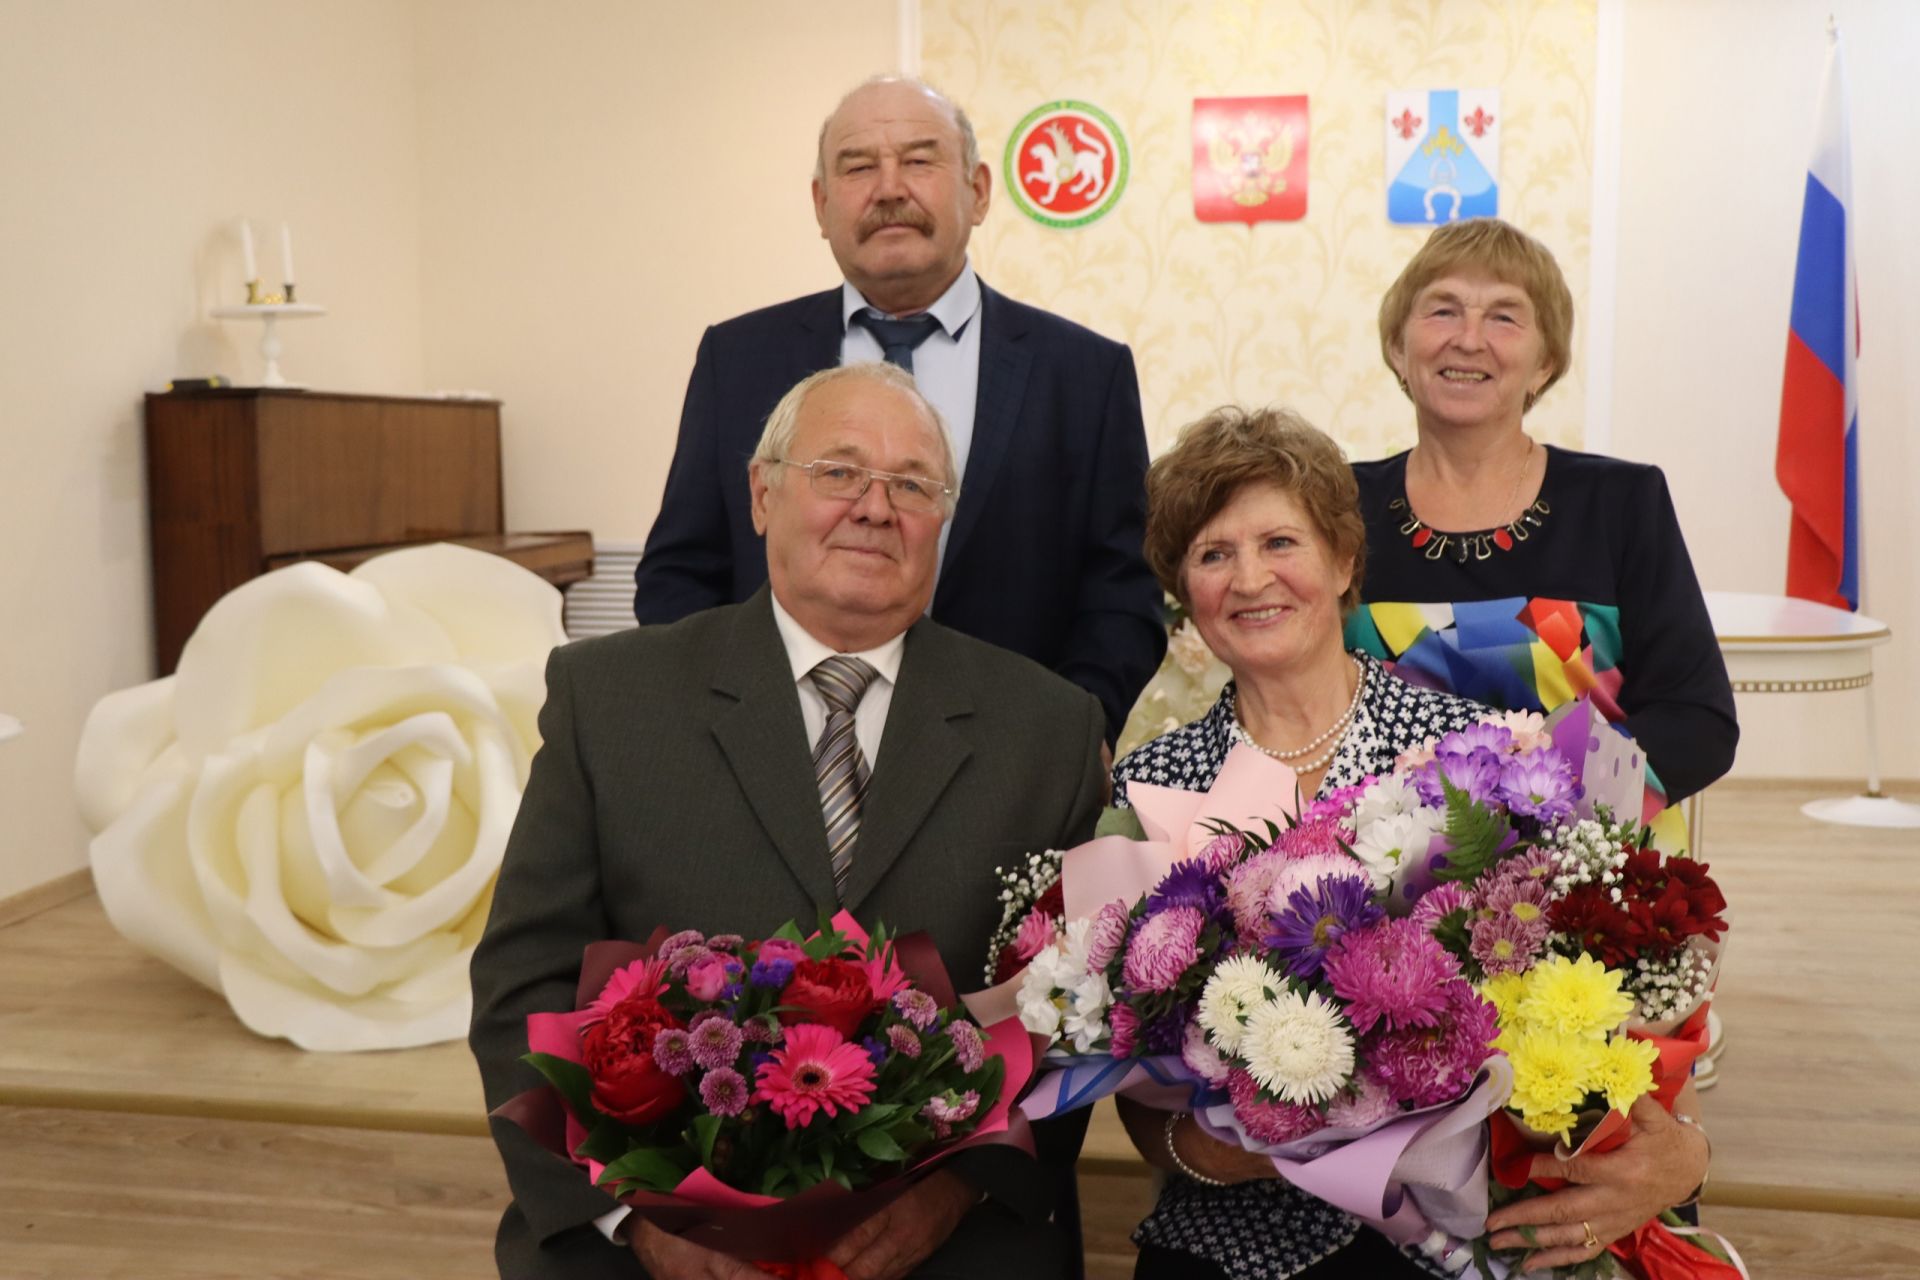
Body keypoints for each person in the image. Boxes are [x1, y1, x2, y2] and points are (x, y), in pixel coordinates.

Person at [471, 363, 1106, 1279]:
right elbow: (521, 986)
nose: (875, 508)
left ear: (943, 519)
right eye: (839, 471)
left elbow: (1077, 1011)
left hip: (943, 1242)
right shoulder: (608, 698)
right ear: (763, 494)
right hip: (650, 1238)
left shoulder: (1048, 727)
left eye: (912, 485)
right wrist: (633, 1223)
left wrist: (956, 1193)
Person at [631, 75, 1164, 744]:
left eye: (918, 160)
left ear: (977, 191)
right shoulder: (738, 359)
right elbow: (680, 576)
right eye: (858, 167)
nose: (889, 189)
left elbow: (1122, 594)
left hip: (1009, 759)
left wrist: (1060, 741)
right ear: (821, 205)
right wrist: (723, 730)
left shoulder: (1084, 373)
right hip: (770, 754)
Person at [1107, 405, 1506, 1278]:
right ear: (1184, 590)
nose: (1250, 579)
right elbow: (1127, 1053)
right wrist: (1194, 1150)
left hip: (1436, 1238)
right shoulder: (1150, 781)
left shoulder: (1464, 748)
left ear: (1343, 560)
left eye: (1280, 542)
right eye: (1213, 555)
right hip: (1226, 1239)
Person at [1347, 217, 1737, 812]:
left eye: (1504, 317)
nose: (1469, 339)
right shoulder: (1339, 508)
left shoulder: (1622, 501)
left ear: (1545, 363)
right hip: (1385, 854)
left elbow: (1696, 720)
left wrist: (1536, 812)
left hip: (1591, 850)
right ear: (1399, 348)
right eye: (1443, 311)